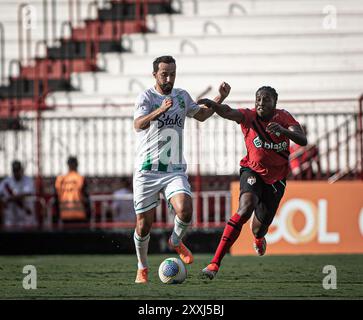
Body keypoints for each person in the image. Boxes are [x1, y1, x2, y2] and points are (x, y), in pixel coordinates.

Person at [133, 55, 231, 283]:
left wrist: (219, 99)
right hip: (147, 170)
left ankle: (175, 241)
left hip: (173, 169)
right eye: (164, 74)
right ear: (155, 75)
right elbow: (138, 125)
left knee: (185, 210)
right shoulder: (146, 97)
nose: (169, 78)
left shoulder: (181, 96)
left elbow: (203, 115)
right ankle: (142, 268)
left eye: (172, 74)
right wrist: (159, 110)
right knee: (143, 225)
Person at [197, 86, 307, 280]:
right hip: (252, 171)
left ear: (275, 101)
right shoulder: (249, 117)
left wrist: (283, 131)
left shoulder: (284, 118)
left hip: (277, 180)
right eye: (258, 99)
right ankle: (214, 263)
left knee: (259, 228)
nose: (261, 104)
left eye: (266, 100)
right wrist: (215, 104)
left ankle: (258, 238)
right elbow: (228, 112)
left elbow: (302, 139)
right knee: (245, 208)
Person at [0, 160, 37, 228]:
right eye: (15, 170)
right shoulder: (7, 181)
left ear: (21, 170)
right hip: (11, 217)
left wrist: (9, 198)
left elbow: (27, 193)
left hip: (26, 216)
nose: (16, 172)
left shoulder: (28, 180)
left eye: (18, 170)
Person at [54, 156, 91, 223]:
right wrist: (89, 215)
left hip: (64, 215)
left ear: (68, 165)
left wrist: (57, 215)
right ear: (77, 165)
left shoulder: (60, 180)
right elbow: (86, 198)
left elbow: (56, 199)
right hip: (80, 215)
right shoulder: (80, 178)